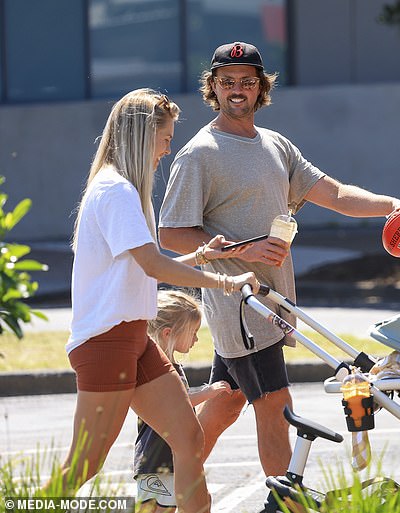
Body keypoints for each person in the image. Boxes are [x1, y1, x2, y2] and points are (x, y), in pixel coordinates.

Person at [158, 42, 400, 477]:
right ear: (212, 86)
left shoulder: (275, 145)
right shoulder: (199, 154)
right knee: (276, 408)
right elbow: (170, 233)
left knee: (227, 402)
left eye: (246, 82)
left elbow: (337, 194)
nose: (236, 90)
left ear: (260, 88)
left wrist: (393, 205)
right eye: (226, 82)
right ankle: (287, 505)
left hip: (273, 300)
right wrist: (243, 249)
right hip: (242, 304)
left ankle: (164, 483)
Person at [46, 88, 259, 513]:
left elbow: (134, 267)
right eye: (164, 139)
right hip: (106, 344)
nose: (167, 150)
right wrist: (223, 282)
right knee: (84, 465)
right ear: (143, 137)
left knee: (188, 438)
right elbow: (151, 265)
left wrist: (200, 255)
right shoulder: (115, 192)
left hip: (133, 340)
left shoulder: (121, 190)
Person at [135, 289, 230, 513]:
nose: (197, 339)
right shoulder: (157, 373)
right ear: (169, 333)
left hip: (169, 457)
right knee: (159, 508)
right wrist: (210, 391)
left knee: (195, 500)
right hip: (157, 459)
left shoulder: (169, 368)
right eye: (193, 332)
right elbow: (179, 402)